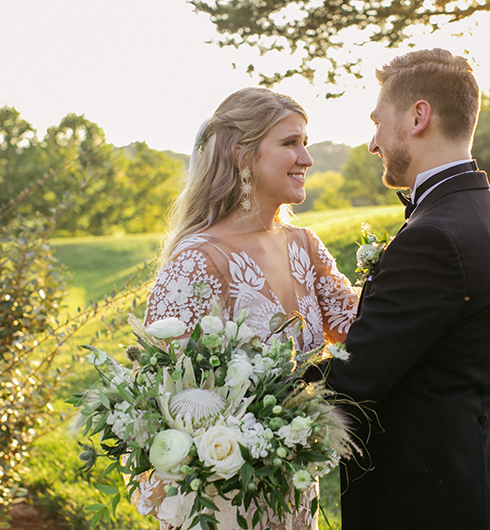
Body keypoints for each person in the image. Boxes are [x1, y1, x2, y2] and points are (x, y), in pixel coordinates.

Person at [139, 86, 359, 530]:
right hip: (224, 495)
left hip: (294, 485)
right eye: (290, 143)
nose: (306, 158)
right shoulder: (198, 258)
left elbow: (358, 326)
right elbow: (165, 392)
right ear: (243, 155)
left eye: (306, 143)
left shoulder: (305, 245)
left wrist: (399, 266)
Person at [326, 48, 490, 529]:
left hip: (420, 503)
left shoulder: (436, 235)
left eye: (377, 121)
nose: (373, 142)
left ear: (418, 116)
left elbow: (352, 381)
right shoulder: (484, 214)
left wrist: (228, 401)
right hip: (461, 483)